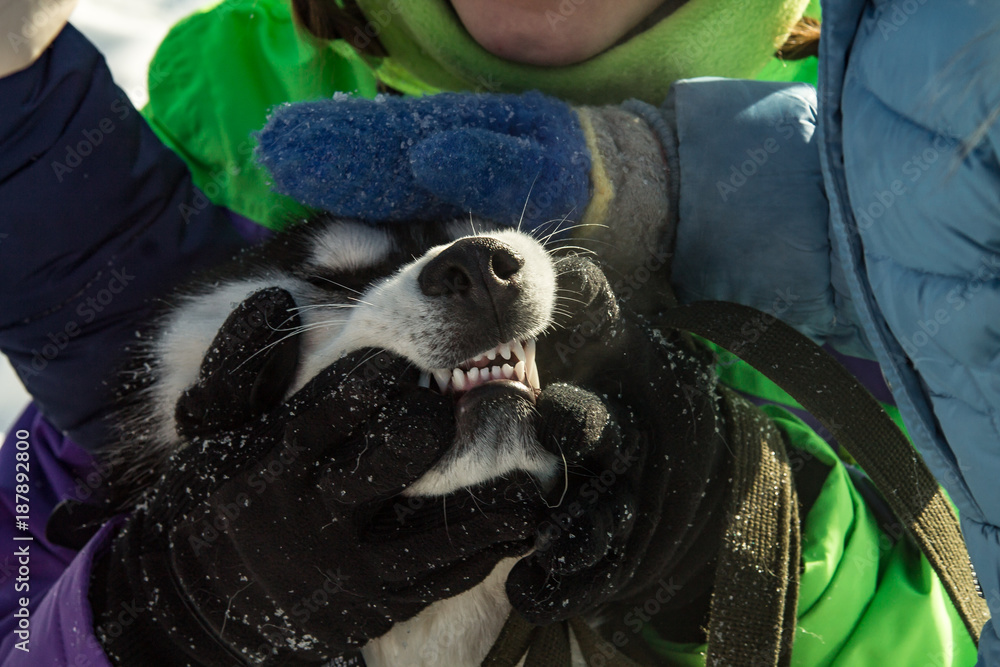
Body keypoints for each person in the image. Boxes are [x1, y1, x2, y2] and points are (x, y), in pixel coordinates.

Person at [0, 1, 988, 666]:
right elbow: (30, 573)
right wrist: (156, 616)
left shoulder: (940, 191)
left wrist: (759, 550)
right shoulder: (189, 150)